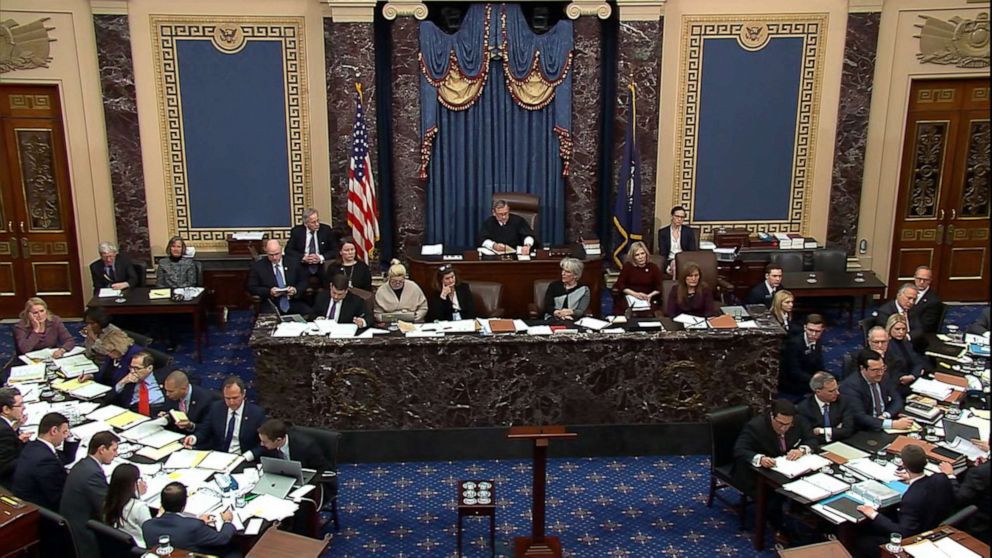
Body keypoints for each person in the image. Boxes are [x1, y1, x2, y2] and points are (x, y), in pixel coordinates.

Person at [855, 444, 953, 556]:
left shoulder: (912, 498)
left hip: (916, 539)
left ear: (903, 464)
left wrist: (873, 514)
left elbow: (903, 533)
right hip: (934, 524)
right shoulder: (941, 478)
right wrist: (911, 477)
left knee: (862, 541)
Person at [732, 399, 816, 515]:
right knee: (775, 498)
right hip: (758, 473)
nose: (784, 428)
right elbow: (740, 449)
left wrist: (802, 450)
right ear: (772, 416)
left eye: (788, 424)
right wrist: (760, 459)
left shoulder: (798, 421)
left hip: (790, 468)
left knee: (809, 488)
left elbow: (811, 439)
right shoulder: (756, 426)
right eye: (780, 423)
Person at [61, 430, 119, 558]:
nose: (116, 454)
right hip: (84, 534)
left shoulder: (82, 465)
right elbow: (107, 508)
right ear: (102, 449)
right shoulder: (93, 474)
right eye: (114, 450)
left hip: (72, 524)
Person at [142, 482, 237, 557]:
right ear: (183, 505)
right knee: (235, 551)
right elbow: (222, 539)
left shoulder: (147, 526)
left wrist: (200, 521)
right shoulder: (193, 526)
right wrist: (227, 521)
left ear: (161, 503)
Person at [184, 376, 267, 461]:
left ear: (243, 394)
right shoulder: (216, 408)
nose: (231, 402)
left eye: (235, 398)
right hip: (218, 457)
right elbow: (204, 431)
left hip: (243, 458)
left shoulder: (257, 414)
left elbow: (264, 443)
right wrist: (194, 438)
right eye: (227, 398)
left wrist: (247, 456)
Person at [840, 349, 913, 432]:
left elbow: (897, 399)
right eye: (875, 370)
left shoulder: (884, 376)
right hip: (866, 430)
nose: (880, 373)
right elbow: (860, 417)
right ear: (862, 368)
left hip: (885, 421)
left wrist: (885, 416)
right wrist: (892, 424)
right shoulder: (849, 386)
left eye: (882, 368)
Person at [12, 412, 71, 510]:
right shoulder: (45, 461)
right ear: (54, 431)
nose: (66, 436)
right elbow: (58, 496)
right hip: (41, 513)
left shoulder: (32, 446)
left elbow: (64, 459)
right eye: (64, 432)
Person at [155, 236, 199, 350]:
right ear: (170, 248)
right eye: (173, 246)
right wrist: (169, 292)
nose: (176, 249)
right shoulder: (163, 263)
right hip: (167, 295)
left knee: (174, 314)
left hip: (183, 295)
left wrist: (178, 290)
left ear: (182, 249)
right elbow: (159, 283)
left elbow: (191, 282)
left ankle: (174, 342)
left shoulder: (189, 263)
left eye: (178, 246)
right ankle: (161, 340)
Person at [247, 238, 310, 316]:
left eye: (277, 254)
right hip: (271, 303)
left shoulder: (294, 262)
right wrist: (269, 291)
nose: (274, 258)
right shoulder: (258, 267)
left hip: (293, 301)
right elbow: (252, 287)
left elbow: (304, 281)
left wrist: (295, 290)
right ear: (266, 252)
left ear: (281, 250)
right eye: (271, 255)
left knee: (309, 314)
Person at [797, 372, 856, 445]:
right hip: (818, 446)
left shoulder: (843, 401)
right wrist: (837, 430)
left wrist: (822, 431)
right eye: (831, 391)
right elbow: (809, 436)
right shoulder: (804, 408)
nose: (837, 393)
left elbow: (848, 430)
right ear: (818, 392)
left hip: (842, 443)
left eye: (837, 389)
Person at [103, 463, 152, 547]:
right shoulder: (139, 507)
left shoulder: (109, 501)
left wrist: (137, 493)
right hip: (141, 549)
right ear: (132, 484)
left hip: (120, 548)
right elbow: (151, 531)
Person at [103, 351, 165, 416]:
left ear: (149, 368)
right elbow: (107, 399)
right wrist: (122, 382)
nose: (132, 371)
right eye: (131, 367)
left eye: (137, 368)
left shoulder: (161, 379)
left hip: (152, 414)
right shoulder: (128, 379)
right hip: (127, 414)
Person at [778, 314, 825, 399]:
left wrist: (825, 376)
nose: (813, 334)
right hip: (792, 381)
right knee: (823, 388)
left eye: (817, 331)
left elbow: (818, 364)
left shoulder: (817, 341)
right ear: (805, 328)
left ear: (822, 330)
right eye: (810, 330)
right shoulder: (794, 344)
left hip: (807, 375)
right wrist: (816, 380)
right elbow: (794, 371)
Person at [286, 208, 341, 280]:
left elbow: (335, 250)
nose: (317, 224)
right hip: (303, 266)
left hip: (322, 266)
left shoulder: (326, 230)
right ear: (306, 224)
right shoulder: (297, 231)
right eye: (313, 222)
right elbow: (288, 250)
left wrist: (320, 257)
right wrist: (303, 257)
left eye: (318, 220)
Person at [257, 418, 331, 471]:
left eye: (265, 442)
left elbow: (324, 471)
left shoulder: (306, 447)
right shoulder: (270, 446)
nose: (262, 444)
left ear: (278, 440)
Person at [613, 241, 663, 316]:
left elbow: (659, 287)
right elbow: (620, 284)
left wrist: (649, 296)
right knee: (624, 311)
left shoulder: (653, 267)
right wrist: (635, 294)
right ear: (633, 257)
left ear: (646, 254)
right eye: (637, 255)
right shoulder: (628, 267)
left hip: (648, 298)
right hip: (630, 297)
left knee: (649, 314)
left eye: (642, 253)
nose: (641, 257)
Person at [884, 316, 927, 392]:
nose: (901, 332)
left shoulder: (906, 343)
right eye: (897, 329)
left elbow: (917, 361)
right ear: (889, 329)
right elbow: (889, 371)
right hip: (896, 384)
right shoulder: (886, 346)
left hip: (912, 379)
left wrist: (913, 376)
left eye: (903, 329)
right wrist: (902, 378)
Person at [0, 387, 30, 486]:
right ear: (6, 409)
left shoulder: (4, 426)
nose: (24, 407)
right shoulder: (4, 431)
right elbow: (5, 466)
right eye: (20, 405)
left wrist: (16, 427)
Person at [657, 206, 697, 277]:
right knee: (674, 265)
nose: (679, 219)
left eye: (682, 217)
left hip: (684, 260)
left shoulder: (688, 231)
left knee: (676, 267)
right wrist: (666, 266)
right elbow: (662, 253)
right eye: (677, 216)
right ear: (672, 216)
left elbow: (692, 251)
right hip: (669, 260)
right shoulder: (663, 232)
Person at [908, 265, 942, 335]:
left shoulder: (933, 301)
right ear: (914, 277)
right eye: (919, 279)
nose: (921, 282)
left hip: (918, 335)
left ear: (930, 280)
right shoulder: (905, 292)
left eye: (925, 280)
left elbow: (926, 326)